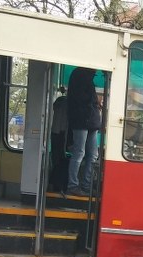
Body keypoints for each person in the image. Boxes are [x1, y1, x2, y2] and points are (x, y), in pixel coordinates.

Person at [66, 67, 102, 197]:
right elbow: (82, 99)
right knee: (80, 152)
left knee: (92, 154)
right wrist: (94, 104)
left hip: (89, 121)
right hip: (83, 120)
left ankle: (85, 185)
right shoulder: (82, 76)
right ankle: (73, 185)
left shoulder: (82, 75)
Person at [49, 87, 69, 193]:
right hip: (61, 133)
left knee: (56, 159)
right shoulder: (67, 103)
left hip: (55, 132)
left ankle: (54, 184)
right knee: (61, 161)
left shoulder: (59, 101)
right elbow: (64, 123)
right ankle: (58, 185)